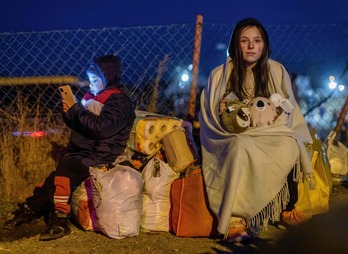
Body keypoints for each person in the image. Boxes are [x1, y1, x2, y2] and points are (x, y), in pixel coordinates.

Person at [199, 18, 315, 243]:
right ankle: (236, 218)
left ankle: (286, 208)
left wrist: (274, 120)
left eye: (256, 41)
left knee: (290, 143)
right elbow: (211, 116)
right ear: (236, 44)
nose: (251, 46)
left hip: (271, 131)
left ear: (264, 45)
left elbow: (288, 108)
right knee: (241, 146)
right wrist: (226, 113)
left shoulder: (276, 70)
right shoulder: (219, 75)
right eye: (245, 41)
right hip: (234, 134)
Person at [3, 54, 136, 241]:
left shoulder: (119, 101)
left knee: (65, 172)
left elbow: (102, 129)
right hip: (85, 151)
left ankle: (59, 218)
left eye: (95, 80)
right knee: (55, 176)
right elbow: (79, 121)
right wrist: (68, 110)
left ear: (108, 78)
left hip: (103, 154)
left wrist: (76, 110)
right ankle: (31, 208)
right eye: (89, 79)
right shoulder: (93, 97)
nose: (91, 84)